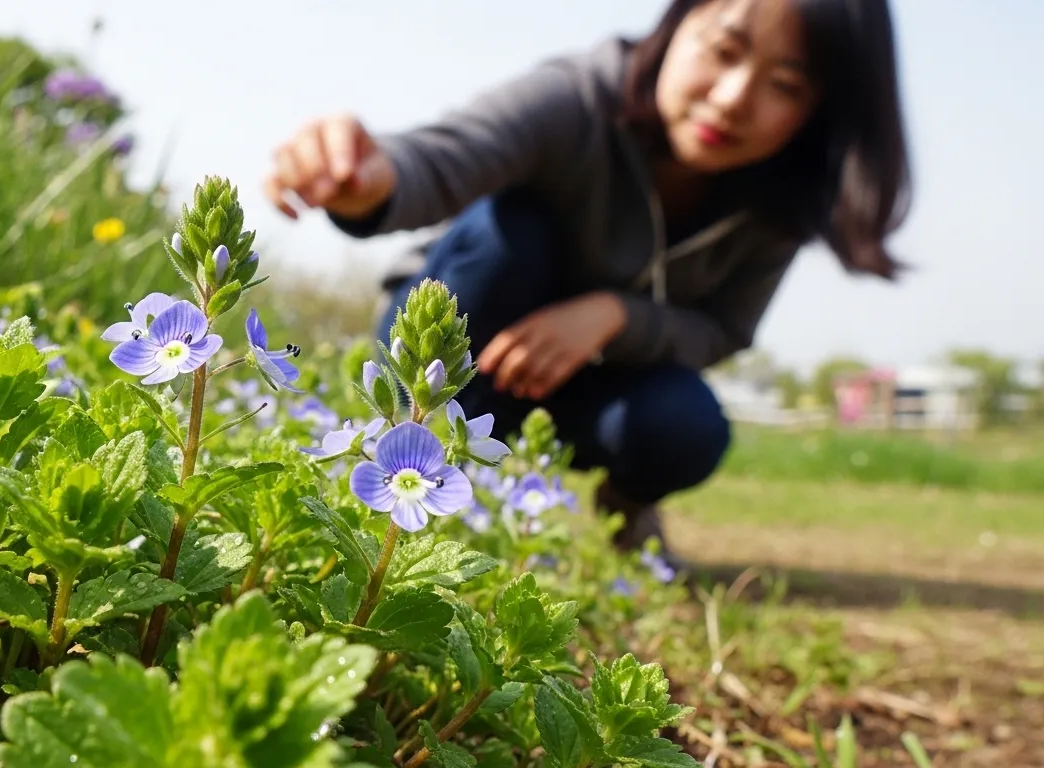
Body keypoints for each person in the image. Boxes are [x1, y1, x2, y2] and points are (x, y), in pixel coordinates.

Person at [262, 0, 912, 567]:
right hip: (458, 348)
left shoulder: (781, 203)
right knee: (508, 230)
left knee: (685, 424)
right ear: (679, 20)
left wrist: (615, 317)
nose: (734, 96)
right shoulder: (580, 96)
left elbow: (724, 330)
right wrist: (372, 178)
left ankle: (622, 509)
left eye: (786, 85)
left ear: (821, 113)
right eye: (724, 50)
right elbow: (448, 155)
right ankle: (406, 458)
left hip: (585, 390)